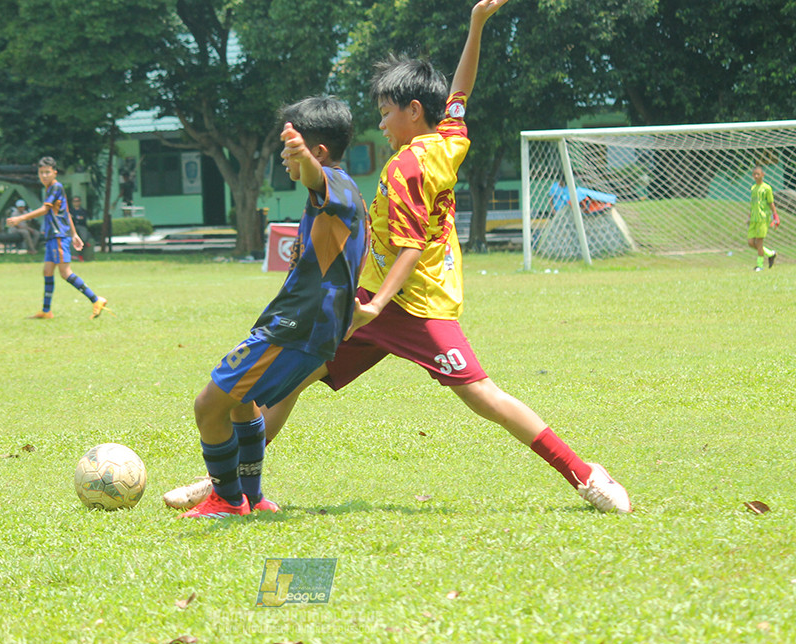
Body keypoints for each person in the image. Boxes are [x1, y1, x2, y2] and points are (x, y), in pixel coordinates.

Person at [167, 0, 631, 515]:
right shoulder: (449, 139)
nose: (381, 122)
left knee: (482, 395)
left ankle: (584, 474)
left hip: (414, 306)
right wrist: (476, 24)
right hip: (371, 298)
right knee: (295, 380)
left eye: (387, 112)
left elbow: (410, 246)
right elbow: (460, 92)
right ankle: (227, 484)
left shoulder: (405, 167)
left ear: (413, 110)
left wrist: (374, 305)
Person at [175, 96, 369, 518]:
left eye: (290, 149)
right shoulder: (347, 193)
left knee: (208, 405)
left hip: (296, 328)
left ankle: (227, 500)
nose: (284, 157)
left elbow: (316, 177)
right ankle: (253, 496)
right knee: (241, 401)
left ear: (317, 152)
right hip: (300, 326)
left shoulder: (333, 185)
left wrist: (305, 159)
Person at [6, 157, 111, 319]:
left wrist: (20, 218)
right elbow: (66, 213)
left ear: (54, 173)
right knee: (47, 271)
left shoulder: (56, 187)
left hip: (58, 236)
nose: (44, 175)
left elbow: (44, 210)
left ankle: (96, 299)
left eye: (47, 172)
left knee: (65, 273)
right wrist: (74, 234)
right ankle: (46, 311)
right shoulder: (51, 189)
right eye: (41, 172)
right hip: (52, 236)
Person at [747, 165, 780, 271]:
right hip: (754, 219)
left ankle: (760, 265)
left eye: (758, 174)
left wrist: (775, 215)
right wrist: (749, 215)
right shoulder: (753, 188)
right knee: (751, 242)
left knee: (759, 242)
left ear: (763, 175)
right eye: (754, 174)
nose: (756, 176)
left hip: (763, 218)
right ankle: (770, 253)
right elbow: (753, 203)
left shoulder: (767, 188)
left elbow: (771, 203)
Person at [69, 196, 94, 261]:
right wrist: (77, 217)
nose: (76, 203)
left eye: (77, 201)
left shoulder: (83, 211)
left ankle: (82, 254)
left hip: (82, 227)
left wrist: (74, 217)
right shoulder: (70, 211)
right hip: (73, 227)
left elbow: (83, 220)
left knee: (84, 239)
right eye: (74, 201)